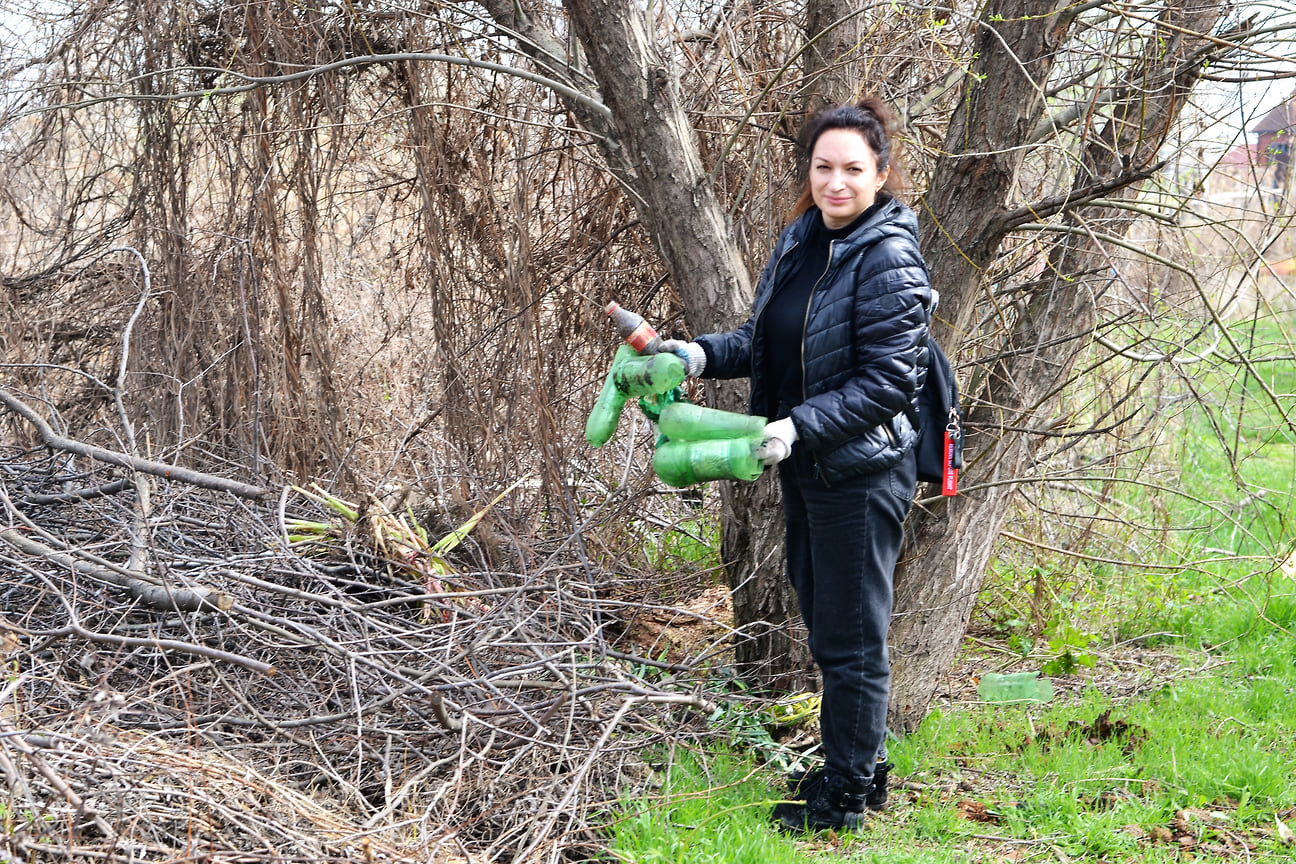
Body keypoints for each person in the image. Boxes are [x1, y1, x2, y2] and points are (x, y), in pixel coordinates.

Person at [655, 97, 932, 833]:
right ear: (808, 172)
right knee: (830, 626)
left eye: (852, 170)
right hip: (809, 462)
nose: (836, 183)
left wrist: (795, 426)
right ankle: (860, 768)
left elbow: (890, 382)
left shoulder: (889, 255)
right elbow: (767, 341)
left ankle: (844, 798)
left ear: (880, 174)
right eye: (823, 168)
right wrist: (698, 353)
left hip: (862, 470)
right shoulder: (803, 237)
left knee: (851, 637)